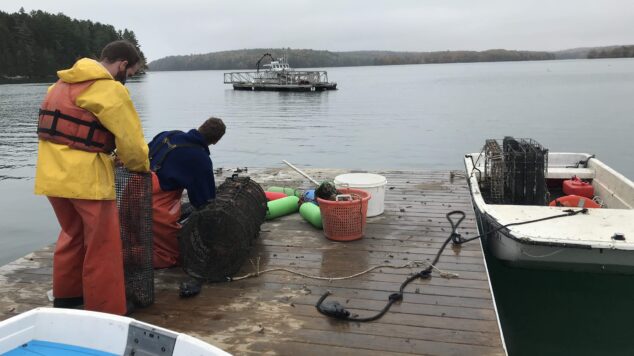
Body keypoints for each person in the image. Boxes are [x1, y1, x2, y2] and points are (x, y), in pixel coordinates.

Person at [34, 40, 150, 315]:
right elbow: (131, 142)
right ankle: (107, 310)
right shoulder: (109, 89)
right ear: (122, 64)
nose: (128, 78)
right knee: (103, 247)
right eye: (130, 73)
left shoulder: (58, 87)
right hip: (87, 182)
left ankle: (67, 298)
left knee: (72, 235)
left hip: (52, 178)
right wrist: (140, 166)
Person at [148, 117, 226, 269]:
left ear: (200, 127)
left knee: (135, 236)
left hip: (132, 189)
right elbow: (205, 201)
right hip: (155, 206)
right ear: (216, 141)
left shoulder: (167, 135)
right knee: (172, 255)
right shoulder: (200, 159)